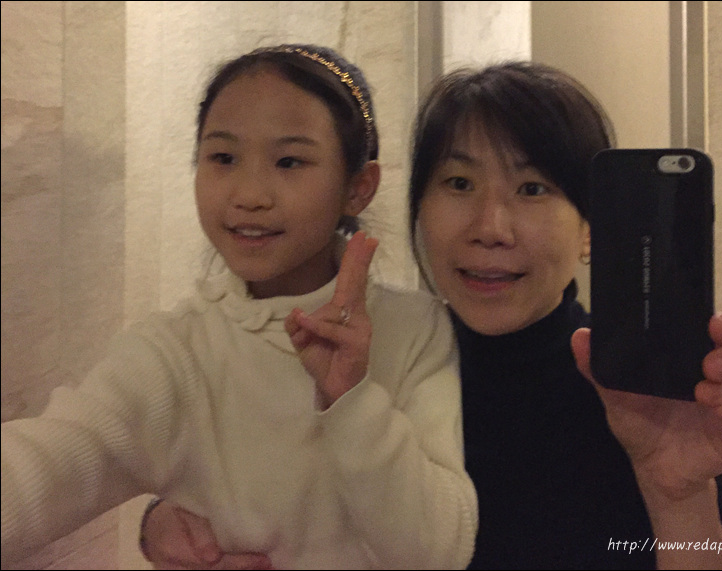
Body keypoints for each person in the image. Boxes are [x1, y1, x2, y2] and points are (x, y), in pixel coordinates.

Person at [139, 61, 722, 570]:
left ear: (591, 228)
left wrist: (678, 498)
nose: (489, 227)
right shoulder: (355, 364)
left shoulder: (655, 400)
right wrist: (177, 522)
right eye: (459, 184)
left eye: (533, 188)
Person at [0, 44, 479, 570]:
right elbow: (46, 463)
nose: (249, 194)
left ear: (358, 188)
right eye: (223, 158)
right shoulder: (177, 351)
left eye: (289, 161)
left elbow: (439, 551)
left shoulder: (416, 328)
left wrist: (352, 399)